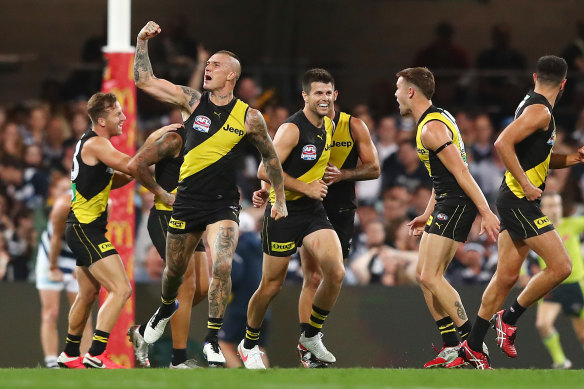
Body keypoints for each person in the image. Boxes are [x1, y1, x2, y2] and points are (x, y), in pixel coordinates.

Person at [134, 21, 286, 368]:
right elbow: (145, 81)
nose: (207, 69)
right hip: (186, 201)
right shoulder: (192, 101)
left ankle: (211, 340)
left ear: (231, 75)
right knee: (174, 274)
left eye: (214, 65)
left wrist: (279, 197)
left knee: (222, 265)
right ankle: (161, 312)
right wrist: (141, 42)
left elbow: (271, 158)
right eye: (207, 65)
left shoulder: (249, 117)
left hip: (223, 204)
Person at [452, 55, 583, 370]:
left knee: (506, 276)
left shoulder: (533, 106)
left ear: (535, 76)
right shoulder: (539, 111)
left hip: (516, 199)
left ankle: (471, 347)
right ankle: (508, 320)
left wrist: (575, 159)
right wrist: (525, 183)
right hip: (518, 200)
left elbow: (539, 157)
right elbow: (502, 143)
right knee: (561, 266)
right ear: (564, 84)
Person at [56, 92, 175, 369]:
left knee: (87, 295)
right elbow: (132, 165)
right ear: (101, 120)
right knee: (121, 289)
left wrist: (147, 170)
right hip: (87, 230)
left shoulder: (93, 145)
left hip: (81, 228)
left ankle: (69, 354)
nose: (123, 118)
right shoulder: (98, 144)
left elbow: (118, 177)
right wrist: (155, 139)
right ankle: (96, 354)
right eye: (117, 114)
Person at [237, 68, 345, 369]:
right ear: (305, 96)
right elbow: (263, 169)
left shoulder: (329, 123)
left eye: (328, 93)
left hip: (312, 212)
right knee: (271, 285)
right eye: (318, 93)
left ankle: (311, 335)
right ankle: (249, 344)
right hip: (282, 212)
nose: (323, 99)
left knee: (335, 272)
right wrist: (301, 187)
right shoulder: (292, 129)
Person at [394, 67, 500, 369]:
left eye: (399, 88)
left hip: (456, 205)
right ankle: (452, 346)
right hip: (446, 202)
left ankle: (473, 345)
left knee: (430, 275)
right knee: (423, 275)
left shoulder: (431, 129)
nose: (396, 94)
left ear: (411, 92)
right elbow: (442, 176)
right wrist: (427, 214)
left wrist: (486, 211)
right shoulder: (437, 119)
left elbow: (462, 172)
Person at [126, 122, 210, 369]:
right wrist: (160, 192)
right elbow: (135, 164)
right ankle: (179, 361)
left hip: (193, 219)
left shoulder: (214, 140)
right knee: (185, 283)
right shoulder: (175, 139)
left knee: (202, 288)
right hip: (166, 218)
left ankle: (145, 329)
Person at [36, 177, 92, 368]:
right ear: (53, 193)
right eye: (60, 190)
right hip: (50, 257)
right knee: (50, 313)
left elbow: (91, 237)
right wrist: (53, 268)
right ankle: (51, 362)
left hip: (75, 256)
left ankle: (85, 360)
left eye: (67, 190)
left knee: (83, 312)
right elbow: (56, 240)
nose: (65, 194)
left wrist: (82, 263)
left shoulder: (89, 206)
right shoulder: (60, 209)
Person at [532, 192, 584, 369]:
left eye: (557, 205)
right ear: (542, 209)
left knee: (582, 334)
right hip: (551, 284)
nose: (555, 209)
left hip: (575, 284)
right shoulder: (537, 230)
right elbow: (519, 248)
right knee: (543, 324)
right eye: (550, 206)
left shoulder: (573, 224)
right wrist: (523, 272)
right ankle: (561, 361)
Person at [218, 211, 270, 368]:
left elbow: (236, 275)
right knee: (256, 348)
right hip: (263, 308)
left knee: (223, 343)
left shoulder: (239, 247)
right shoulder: (260, 246)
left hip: (242, 306)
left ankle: (240, 379)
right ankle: (266, 382)